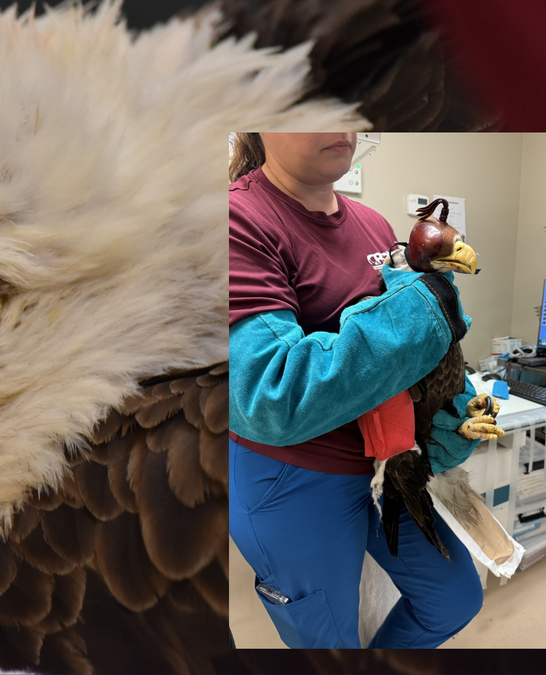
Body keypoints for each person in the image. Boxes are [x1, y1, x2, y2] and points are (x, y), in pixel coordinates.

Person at [228, 132, 484, 649]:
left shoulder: (373, 225)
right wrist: (426, 306)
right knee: (328, 643)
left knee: (454, 598)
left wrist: (454, 407)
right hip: (291, 474)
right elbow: (269, 395)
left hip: (380, 462)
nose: (340, 128)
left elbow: (404, 355)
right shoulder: (237, 220)